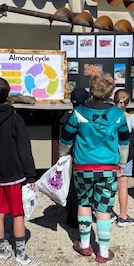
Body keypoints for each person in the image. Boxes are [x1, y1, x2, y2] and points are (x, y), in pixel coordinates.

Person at [60, 73, 129, 264]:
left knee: (83, 203)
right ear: (110, 93)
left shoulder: (78, 113)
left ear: (92, 89)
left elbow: (66, 140)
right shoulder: (118, 114)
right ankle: (104, 252)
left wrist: (62, 158)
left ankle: (84, 245)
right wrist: (121, 164)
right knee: (104, 207)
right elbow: (124, 143)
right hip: (108, 168)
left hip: (82, 166)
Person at [0, 77, 41, 266]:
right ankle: (21, 256)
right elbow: (24, 149)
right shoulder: (15, 119)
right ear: (8, 95)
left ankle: (1, 251)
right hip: (15, 174)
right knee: (17, 214)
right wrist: (31, 175)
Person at [59, 87, 90, 228]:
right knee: (79, 189)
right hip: (80, 155)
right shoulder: (83, 116)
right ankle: (78, 216)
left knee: (70, 185)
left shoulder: (67, 115)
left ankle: (70, 214)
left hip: (69, 155)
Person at [113, 89, 134, 227]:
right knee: (123, 187)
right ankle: (123, 216)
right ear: (128, 103)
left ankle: (106, 213)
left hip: (110, 155)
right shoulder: (131, 118)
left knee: (107, 186)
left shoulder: (109, 117)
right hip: (125, 157)